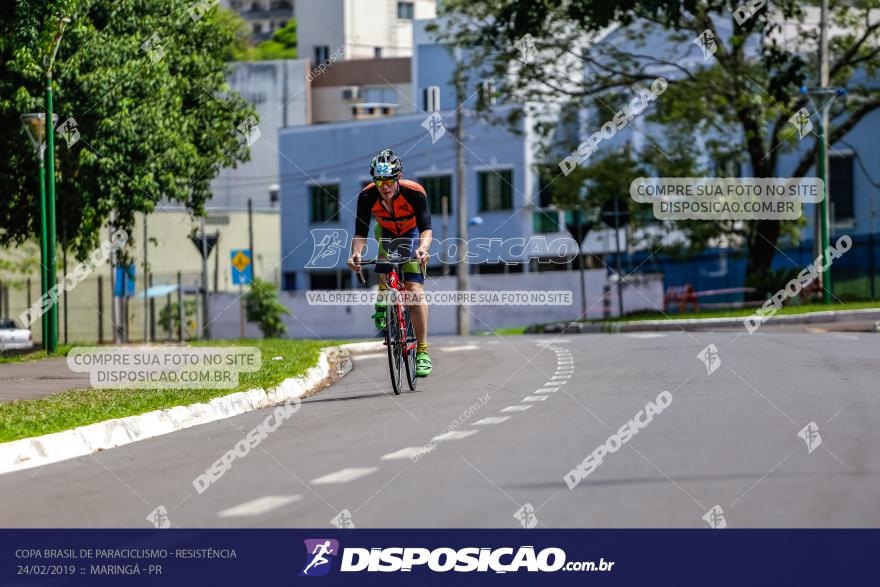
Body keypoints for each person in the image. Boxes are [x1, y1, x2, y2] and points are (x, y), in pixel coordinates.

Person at [347, 149, 433, 377]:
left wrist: (423, 249)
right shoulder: (366, 197)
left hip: (412, 233)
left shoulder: (414, 192)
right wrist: (355, 254)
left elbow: (426, 228)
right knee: (383, 268)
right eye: (379, 181)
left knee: (414, 290)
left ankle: (423, 351)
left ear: (399, 177)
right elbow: (360, 233)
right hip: (385, 231)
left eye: (389, 181)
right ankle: (383, 297)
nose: (385, 186)